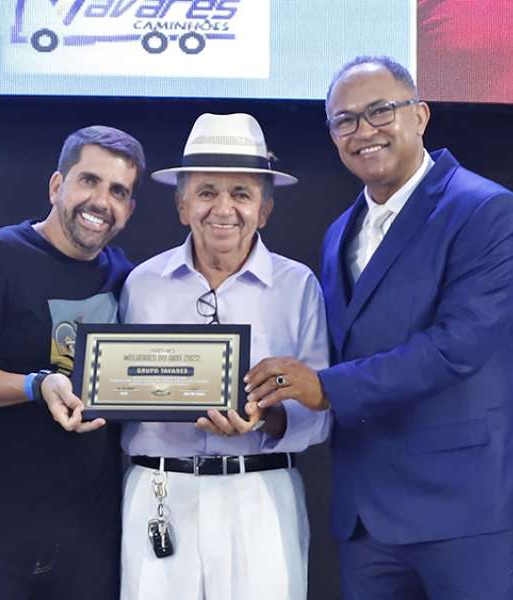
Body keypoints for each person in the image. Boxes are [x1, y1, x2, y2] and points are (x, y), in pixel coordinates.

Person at [245, 56, 513, 599]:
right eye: (345, 120)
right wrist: (266, 405)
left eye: (380, 110)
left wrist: (323, 388)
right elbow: (340, 349)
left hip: (465, 506)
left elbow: (458, 346)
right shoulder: (340, 232)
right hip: (366, 517)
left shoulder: (486, 210)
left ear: (420, 116)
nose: (364, 131)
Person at [0, 125, 145, 600]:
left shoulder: (128, 278)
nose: (101, 201)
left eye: (118, 191)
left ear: (129, 209)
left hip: (90, 538)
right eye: (89, 180)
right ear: (56, 185)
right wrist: (35, 385)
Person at [119, 113, 331, 600]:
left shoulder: (298, 286)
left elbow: (321, 411)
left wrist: (265, 418)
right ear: (182, 205)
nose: (223, 208)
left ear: (264, 209)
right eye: (207, 192)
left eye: (241, 194)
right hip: (159, 493)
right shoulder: (141, 284)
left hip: (259, 495)